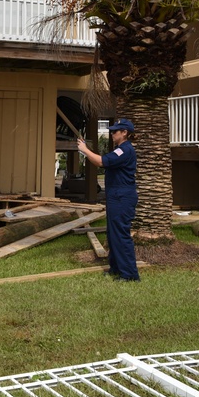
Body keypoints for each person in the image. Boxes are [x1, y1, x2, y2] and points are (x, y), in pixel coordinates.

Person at [77, 119, 139, 281]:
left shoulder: (125, 150)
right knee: (113, 234)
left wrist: (84, 150)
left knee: (121, 234)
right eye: (111, 131)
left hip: (122, 198)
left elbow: (101, 161)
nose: (112, 133)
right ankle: (116, 268)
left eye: (115, 131)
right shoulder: (119, 149)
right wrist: (86, 150)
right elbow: (101, 160)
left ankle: (130, 274)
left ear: (124, 133)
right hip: (116, 197)